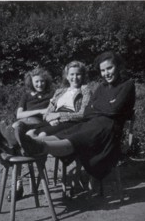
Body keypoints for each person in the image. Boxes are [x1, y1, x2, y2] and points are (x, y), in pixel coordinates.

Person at [16, 51, 136, 186]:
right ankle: (32, 143)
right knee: (68, 132)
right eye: (103, 70)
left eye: (109, 68)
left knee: (76, 138)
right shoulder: (102, 87)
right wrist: (105, 105)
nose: (106, 73)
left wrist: (98, 106)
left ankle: (39, 146)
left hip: (109, 129)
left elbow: (113, 110)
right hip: (92, 123)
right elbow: (89, 112)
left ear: (118, 66)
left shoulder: (128, 84)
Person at [27, 60, 94, 137]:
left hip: (70, 122)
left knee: (42, 135)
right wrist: (50, 119)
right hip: (53, 120)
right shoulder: (60, 92)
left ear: (83, 76)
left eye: (78, 74)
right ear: (67, 76)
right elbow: (48, 111)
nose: (75, 77)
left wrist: (59, 115)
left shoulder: (85, 91)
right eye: (72, 74)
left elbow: (82, 114)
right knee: (29, 133)